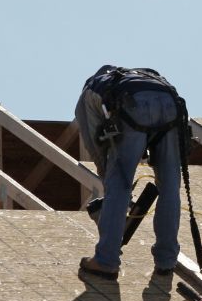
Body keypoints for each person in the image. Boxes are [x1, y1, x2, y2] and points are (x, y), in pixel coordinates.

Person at [75, 65, 185, 280]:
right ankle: (166, 260)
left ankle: (106, 261)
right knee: (170, 185)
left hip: (133, 105)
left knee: (119, 185)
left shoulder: (89, 94)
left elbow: (97, 148)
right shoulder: (142, 76)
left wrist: (111, 185)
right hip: (170, 103)